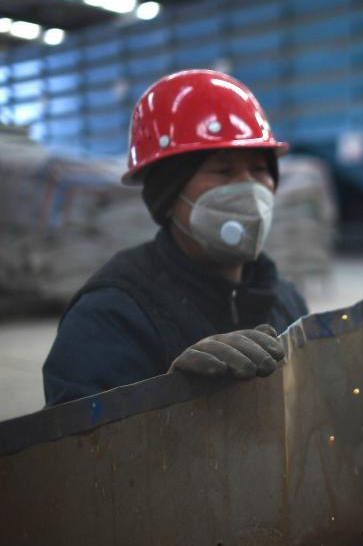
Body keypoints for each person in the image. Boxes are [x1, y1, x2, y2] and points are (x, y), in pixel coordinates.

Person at [42, 69, 308, 405]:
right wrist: (168, 398)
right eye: (223, 171)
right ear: (168, 194)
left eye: (258, 170)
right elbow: (78, 448)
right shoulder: (111, 314)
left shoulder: (285, 299)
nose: (250, 189)